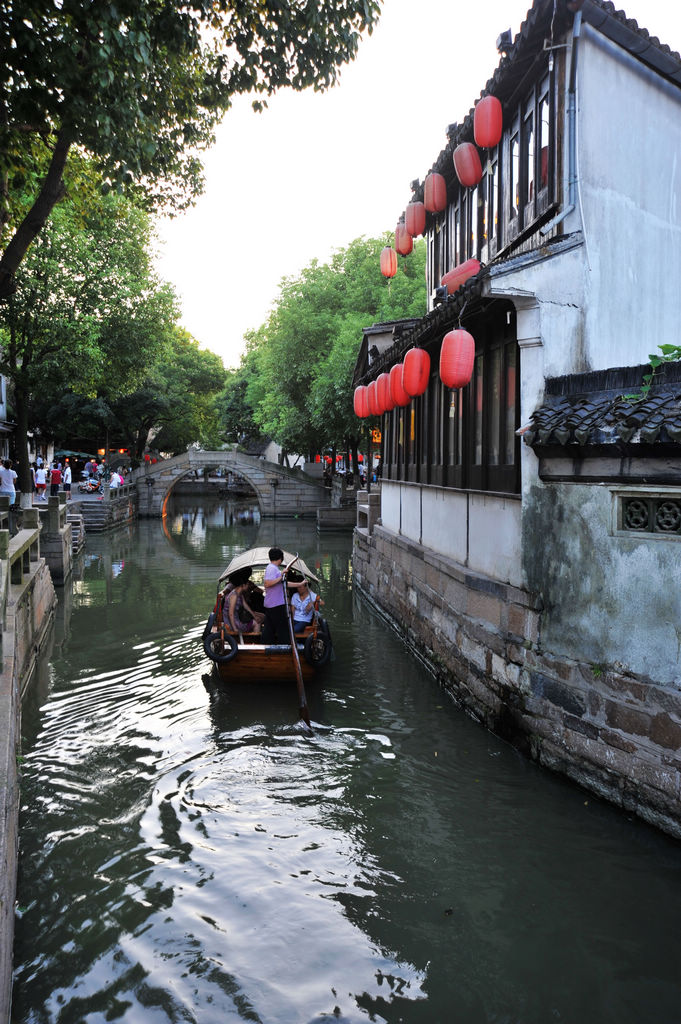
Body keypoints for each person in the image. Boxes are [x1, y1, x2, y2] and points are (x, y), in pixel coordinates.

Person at [262, 547, 290, 644]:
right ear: (280, 558)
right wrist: (281, 575)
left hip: (273, 604)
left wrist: (299, 584)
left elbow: (282, 583)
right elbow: (267, 584)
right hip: (275, 605)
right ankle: (285, 647)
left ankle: (266, 645)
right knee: (282, 628)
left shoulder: (274, 569)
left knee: (269, 628)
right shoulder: (271, 568)